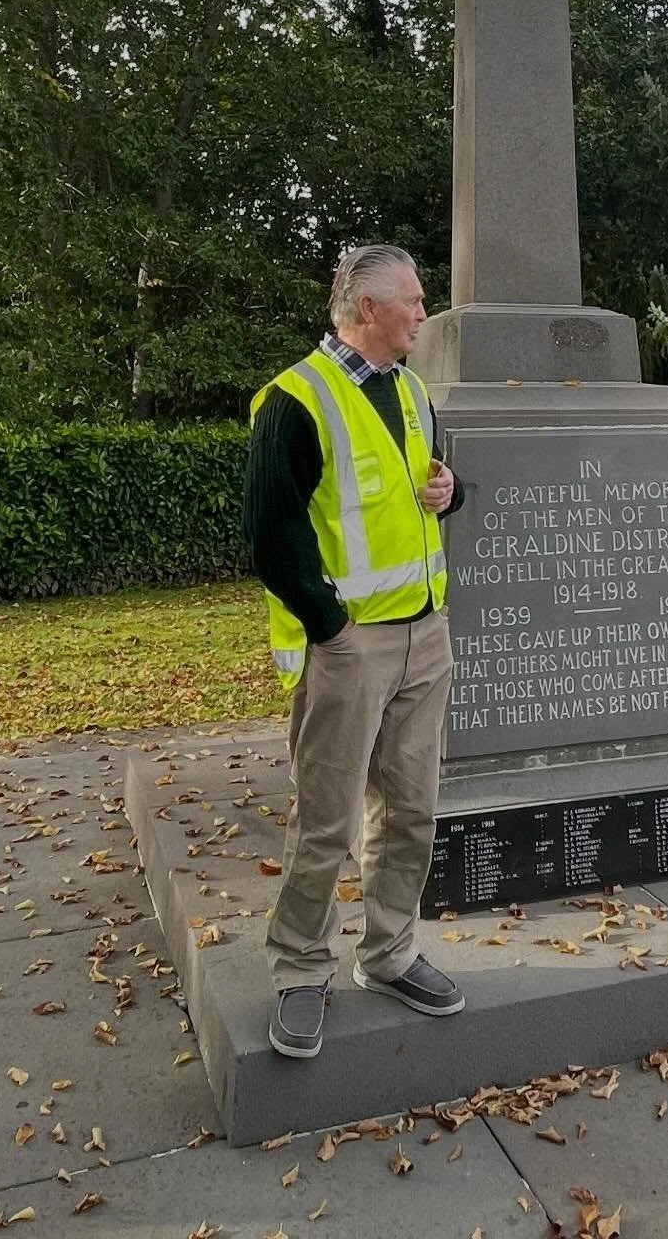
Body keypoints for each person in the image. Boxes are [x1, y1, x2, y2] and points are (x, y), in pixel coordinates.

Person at [242, 244, 466, 1059]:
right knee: (327, 822)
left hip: (425, 634)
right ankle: (301, 969)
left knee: (412, 810)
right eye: (410, 299)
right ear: (366, 309)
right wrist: (331, 629)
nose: (421, 310)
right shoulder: (296, 401)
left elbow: (434, 487)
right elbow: (271, 533)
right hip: (349, 646)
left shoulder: (411, 390)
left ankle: (390, 953)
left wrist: (451, 491)